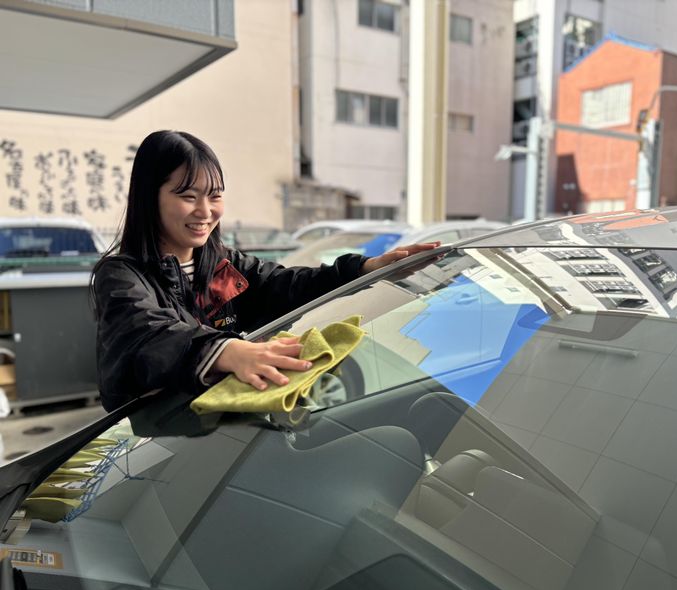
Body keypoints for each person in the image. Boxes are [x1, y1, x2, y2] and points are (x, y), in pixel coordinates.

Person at [91, 130, 437, 412]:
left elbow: (289, 284)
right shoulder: (120, 276)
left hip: (222, 429)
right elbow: (148, 333)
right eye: (188, 196)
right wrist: (226, 351)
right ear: (149, 197)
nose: (205, 211)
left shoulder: (225, 265)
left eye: (214, 196)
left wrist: (364, 269)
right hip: (154, 447)